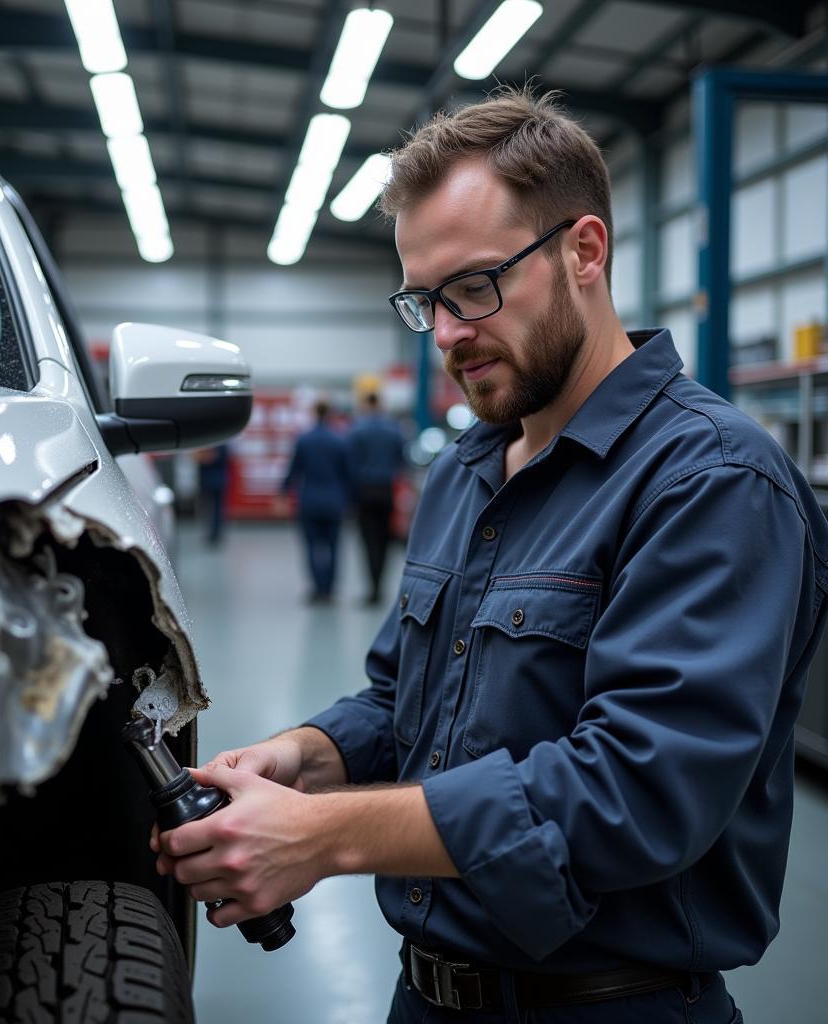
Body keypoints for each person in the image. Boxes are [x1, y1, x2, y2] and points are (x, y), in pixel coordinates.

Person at [152, 88, 828, 1023]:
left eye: (474, 287)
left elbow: (639, 787)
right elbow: (406, 700)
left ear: (585, 251)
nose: (447, 333)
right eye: (423, 301)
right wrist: (303, 760)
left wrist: (324, 839)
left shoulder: (710, 480)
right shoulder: (469, 468)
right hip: (423, 995)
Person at [280, 399, 351, 602]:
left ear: (314, 413)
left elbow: (293, 470)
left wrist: (283, 493)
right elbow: (347, 473)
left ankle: (317, 588)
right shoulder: (340, 440)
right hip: (334, 500)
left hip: (309, 500)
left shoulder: (304, 440)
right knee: (333, 546)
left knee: (311, 546)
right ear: (330, 413)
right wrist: (350, 498)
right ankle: (329, 589)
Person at [347, 391, 407, 604]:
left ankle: (372, 587)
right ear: (380, 404)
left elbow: (350, 464)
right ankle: (380, 584)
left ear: (365, 404)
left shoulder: (356, 430)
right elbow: (402, 460)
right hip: (386, 490)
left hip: (364, 491)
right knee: (385, 540)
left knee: (368, 540)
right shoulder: (394, 430)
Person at [194, 445, 230, 545]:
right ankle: (212, 532)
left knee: (217, 510)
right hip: (210, 482)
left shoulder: (218, 446)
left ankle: (215, 533)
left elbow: (205, 458)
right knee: (208, 509)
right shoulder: (215, 444)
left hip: (215, 482)